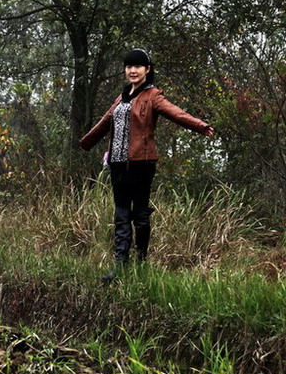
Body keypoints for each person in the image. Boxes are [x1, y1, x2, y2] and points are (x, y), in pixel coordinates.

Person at [79, 48, 215, 281]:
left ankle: (141, 262)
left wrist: (201, 126)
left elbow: (176, 113)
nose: (132, 70)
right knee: (121, 213)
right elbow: (105, 121)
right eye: (129, 66)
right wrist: (85, 142)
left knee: (140, 214)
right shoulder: (122, 97)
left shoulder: (152, 96)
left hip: (142, 163)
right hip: (118, 163)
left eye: (138, 66)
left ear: (147, 69)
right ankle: (120, 267)